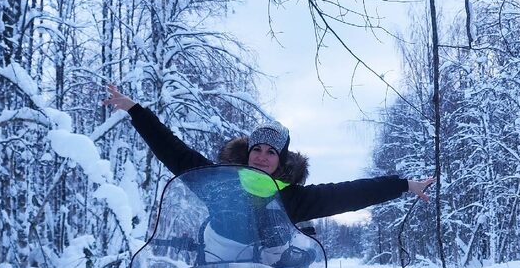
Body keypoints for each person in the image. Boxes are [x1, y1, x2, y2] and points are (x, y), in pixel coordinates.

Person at [103, 85, 435, 233]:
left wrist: (403, 185)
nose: (262, 157)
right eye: (257, 149)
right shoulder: (218, 184)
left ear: (280, 160)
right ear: (248, 153)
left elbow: (349, 193)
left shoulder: (292, 199)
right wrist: (136, 111)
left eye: (271, 152)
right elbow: (174, 152)